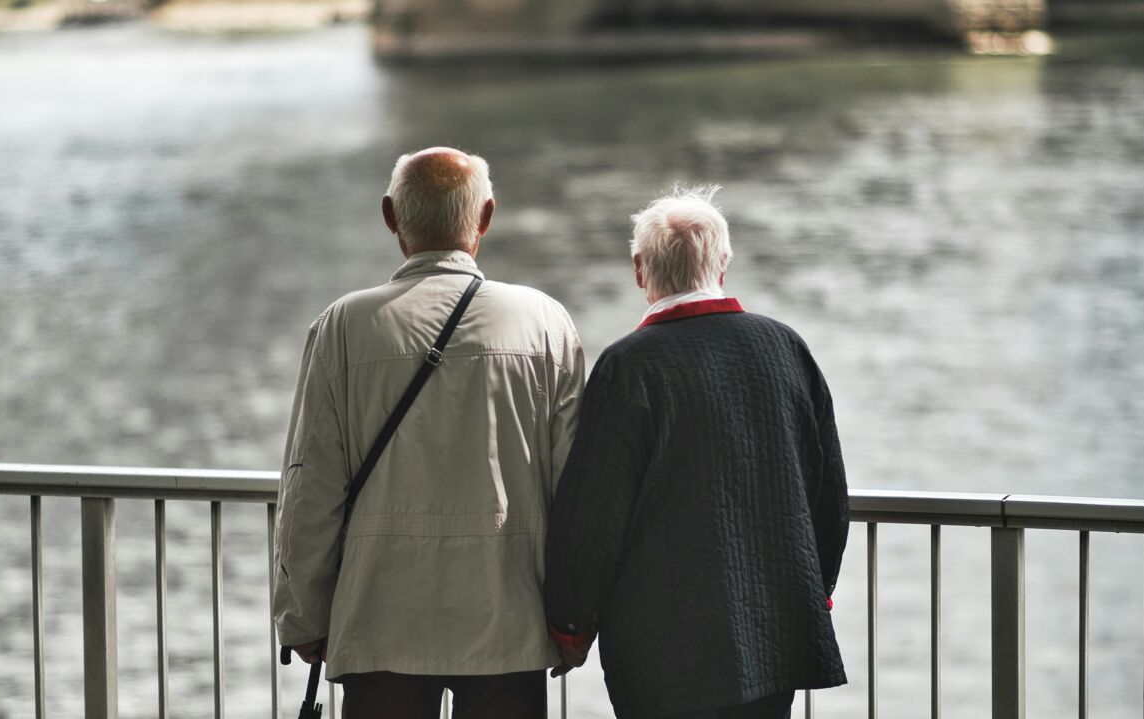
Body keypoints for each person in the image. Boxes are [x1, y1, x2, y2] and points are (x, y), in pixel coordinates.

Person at [272, 147, 585, 719]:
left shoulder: (344, 326)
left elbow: (309, 484)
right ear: (486, 216)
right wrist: (573, 618)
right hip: (506, 621)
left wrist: (303, 614)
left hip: (379, 620)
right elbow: (575, 488)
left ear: (391, 216)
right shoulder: (544, 323)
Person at [543, 186, 849, 719]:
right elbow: (828, 491)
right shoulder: (785, 347)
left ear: (641, 270)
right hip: (772, 634)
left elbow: (593, 513)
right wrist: (815, 589)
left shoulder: (627, 367)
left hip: (661, 644)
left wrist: (570, 622)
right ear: (723, 264)